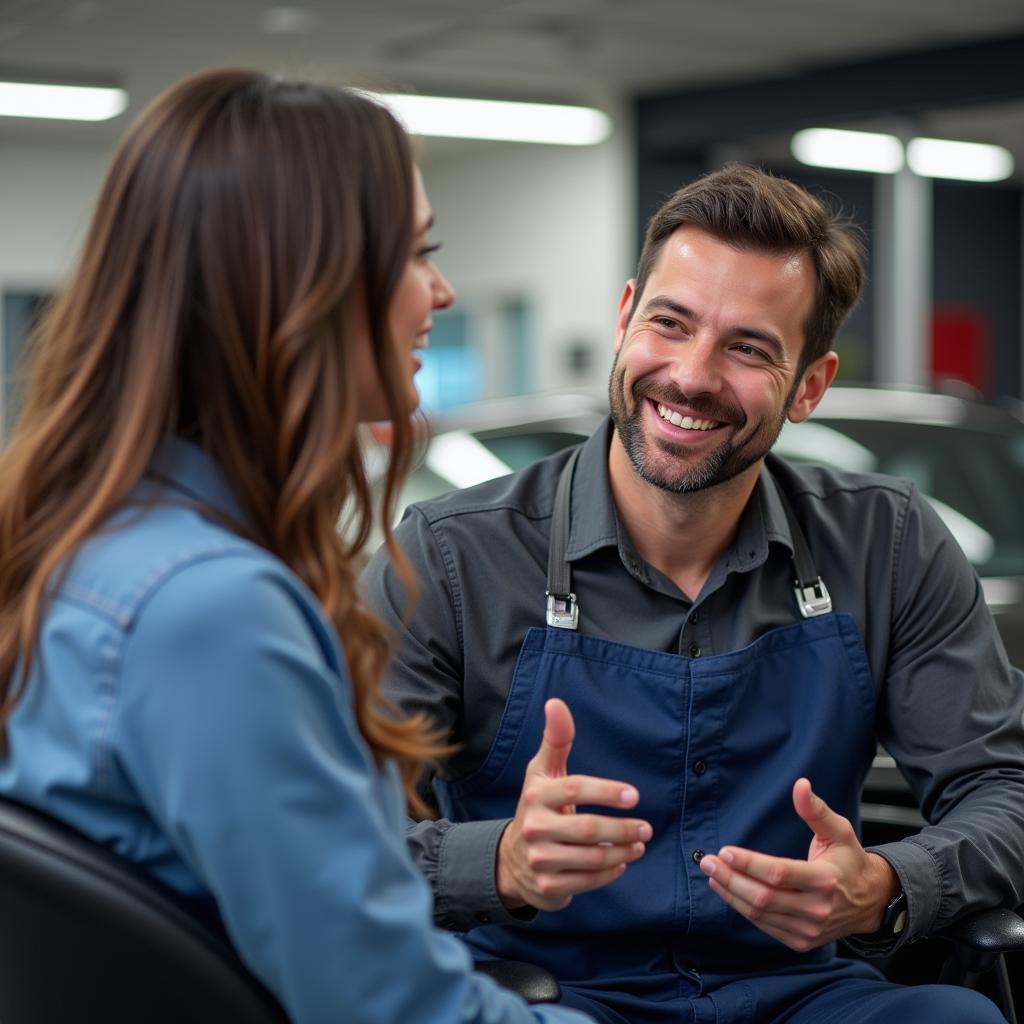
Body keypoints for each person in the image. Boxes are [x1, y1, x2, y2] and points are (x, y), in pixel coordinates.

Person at [362, 164, 1024, 1023]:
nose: (691, 375)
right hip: (549, 997)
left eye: (748, 348)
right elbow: (331, 836)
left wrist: (891, 885)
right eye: (669, 324)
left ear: (810, 386)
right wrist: (500, 864)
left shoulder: (888, 545)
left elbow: (1005, 790)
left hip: (804, 994)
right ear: (625, 316)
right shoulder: (450, 559)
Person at [0, 69, 593, 1024]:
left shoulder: (88, 553)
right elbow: (388, 1007)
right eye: (415, 253)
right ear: (302, 285)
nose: (439, 290)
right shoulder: (211, 613)